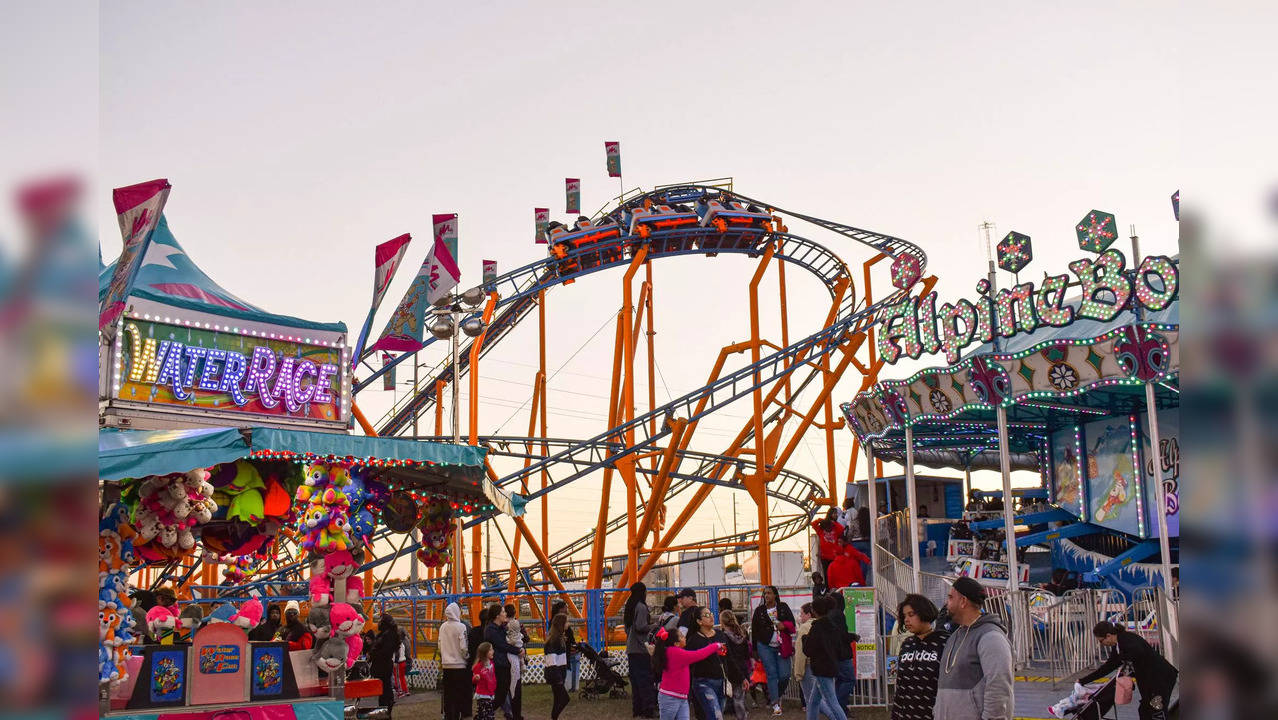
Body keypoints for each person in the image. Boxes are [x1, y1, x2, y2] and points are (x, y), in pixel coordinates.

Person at [935, 577, 1013, 720]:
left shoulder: (991, 637)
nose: (947, 603)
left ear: (963, 601)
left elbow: (999, 685)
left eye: (951, 598)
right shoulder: (955, 636)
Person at [1077, 621, 1177, 720]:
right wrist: (1083, 680)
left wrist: (1122, 658)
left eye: (1101, 641)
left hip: (1161, 678)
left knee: (1157, 710)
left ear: (1108, 636)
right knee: (1144, 710)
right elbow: (1107, 667)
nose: (1102, 644)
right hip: (1149, 680)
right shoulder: (1118, 645)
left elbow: (1138, 651)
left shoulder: (1126, 639)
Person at [890, 594, 949, 720]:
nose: (906, 620)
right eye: (904, 616)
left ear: (924, 613)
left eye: (911, 615)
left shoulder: (944, 642)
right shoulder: (907, 645)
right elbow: (900, 686)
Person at [653, 627, 725, 720]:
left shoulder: (670, 652)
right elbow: (699, 654)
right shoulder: (676, 653)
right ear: (676, 643)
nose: (685, 637)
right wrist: (716, 645)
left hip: (679, 697)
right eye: (682, 636)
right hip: (671, 697)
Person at [750, 585, 796, 716]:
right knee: (771, 674)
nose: (766, 596)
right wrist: (754, 651)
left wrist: (783, 626)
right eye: (765, 594)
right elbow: (755, 630)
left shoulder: (783, 607)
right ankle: (775, 703)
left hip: (782, 646)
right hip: (764, 646)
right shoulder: (759, 611)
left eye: (769, 593)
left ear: (775, 595)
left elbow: (792, 623)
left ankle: (777, 694)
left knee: (785, 675)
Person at [801, 596, 847, 720]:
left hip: (821, 669)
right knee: (813, 701)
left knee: (832, 703)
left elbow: (807, 650)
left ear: (815, 611)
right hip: (830, 667)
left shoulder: (816, 627)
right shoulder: (832, 626)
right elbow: (838, 647)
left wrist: (804, 638)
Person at [687, 606, 728, 720]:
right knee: (716, 715)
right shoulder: (694, 640)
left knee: (716, 713)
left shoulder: (720, 634)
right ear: (699, 621)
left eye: (711, 613)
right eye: (706, 615)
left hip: (721, 680)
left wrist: (740, 677)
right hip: (703, 682)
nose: (711, 616)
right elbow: (688, 662)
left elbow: (728, 658)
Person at [625, 582, 659, 718]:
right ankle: (648, 710)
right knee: (646, 680)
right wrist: (653, 626)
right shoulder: (641, 607)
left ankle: (637, 709)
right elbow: (641, 626)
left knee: (636, 681)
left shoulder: (630, 606)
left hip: (632, 648)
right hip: (641, 648)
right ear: (643, 592)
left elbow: (631, 627)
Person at [483, 604, 520, 720]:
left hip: (505, 663)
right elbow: (502, 645)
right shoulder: (491, 629)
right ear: (497, 615)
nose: (505, 614)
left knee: (504, 693)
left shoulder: (501, 628)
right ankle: (483, 714)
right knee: (501, 694)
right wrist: (518, 650)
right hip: (499, 665)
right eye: (503, 612)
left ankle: (486, 714)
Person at [441, 602, 471, 720]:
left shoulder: (443, 626)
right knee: (459, 694)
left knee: (448, 695)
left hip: (446, 665)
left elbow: (439, 644)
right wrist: (467, 656)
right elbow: (463, 647)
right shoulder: (461, 627)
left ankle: (449, 716)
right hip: (459, 665)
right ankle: (457, 715)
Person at [720, 610, 751, 720]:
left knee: (724, 697)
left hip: (729, 670)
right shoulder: (742, 635)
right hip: (742, 668)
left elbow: (727, 656)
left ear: (722, 622)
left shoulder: (723, 637)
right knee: (739, 699)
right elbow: (747, 654)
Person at [370, 614, 400, 712]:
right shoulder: (383, 634)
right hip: (380, 666)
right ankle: (383, 708)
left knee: (386, 689)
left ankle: (386, 710)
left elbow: (386, 651)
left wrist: (375, 653)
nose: (378, 623)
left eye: (380, 621)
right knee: (383, 690)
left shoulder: (390, 634)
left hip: (384, 666)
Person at [544, 613, 572, 720]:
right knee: (565, 699)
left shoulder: (559, 638)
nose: (568, 624)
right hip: (555, 675)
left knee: (557, 700)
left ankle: (554, 717)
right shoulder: (553, 641)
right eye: (567, 622)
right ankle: (554, 716)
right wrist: (558, 678)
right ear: (562, 624)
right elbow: (551, 661)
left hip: (559, 674)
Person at [503, 604, 527, 720]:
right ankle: (516, 713)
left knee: (507, 687)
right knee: (516, 685)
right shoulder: (518, 624)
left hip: (506, 658)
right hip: (517, 653)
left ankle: (508, 711)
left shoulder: (503, 626)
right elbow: (526, 638)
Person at [551, 600, 580, 693]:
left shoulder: (558, 621)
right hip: (562, 649)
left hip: (566, 648)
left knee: (565, 665)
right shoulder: (557, 622)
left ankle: (566, 685)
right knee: (563, 665)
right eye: (565, 607)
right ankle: (564, 685)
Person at [792, 603, 815, 710]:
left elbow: (801, 653)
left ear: (809, 614)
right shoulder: (823, 624)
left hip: (808, 666)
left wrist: (798, 673)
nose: (800, 617)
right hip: (823, 667)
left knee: (810, 700)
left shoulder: (804, 628)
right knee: (822, 698)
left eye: (802, 614)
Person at [811, 511, 845, 578]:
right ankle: (828, 587)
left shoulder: (835, 530)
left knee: (835, 574)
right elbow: (813, 524)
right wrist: (821, 520)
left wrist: (834, 522)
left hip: (834, 557)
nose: (828, 528)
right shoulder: (820, 531)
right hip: (825, 557)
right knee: (827, 575)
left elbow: (842, 529)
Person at [473, 642, 498, 720]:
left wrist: (494, 685)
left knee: (486, 714)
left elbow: (492, 676)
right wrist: (476, 678)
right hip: (483, 694)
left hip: (490, 693)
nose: (493, 651)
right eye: (490, 650)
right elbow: (474, 680)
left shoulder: (491, 664)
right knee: (487, 714)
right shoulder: (478, 666)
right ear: (485, 652)